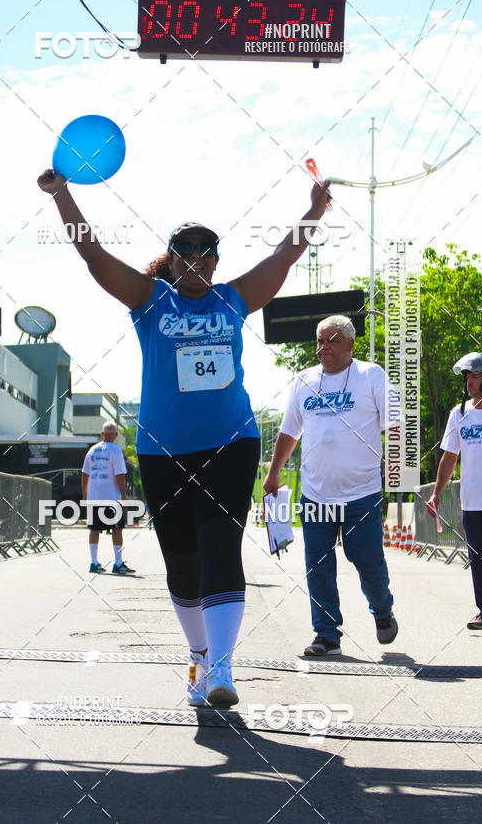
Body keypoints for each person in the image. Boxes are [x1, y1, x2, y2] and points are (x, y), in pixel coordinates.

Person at [38, 167, 330, 708]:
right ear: (171, 259)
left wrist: (314, 211)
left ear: (217, 260)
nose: (196, 255)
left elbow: (283, 259)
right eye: (185, 247)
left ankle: (222, 667)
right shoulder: (151, 300)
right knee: (182, 563)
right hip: (162, 451)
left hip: (230, 443)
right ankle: (199, 656)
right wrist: (63, 195)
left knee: (221, 548)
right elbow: (95, 256)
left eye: (206, 248)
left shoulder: (233, 299)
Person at [264, 315, 399, 657]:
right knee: (318, 564)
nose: (324, 348)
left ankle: (382, 610)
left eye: (332, 341)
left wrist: (395, 470)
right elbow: (289, 431)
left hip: (362, 491)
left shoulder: (372, 376)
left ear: (351, 344)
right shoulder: (305, 381)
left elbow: (396, 424)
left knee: (366, 560)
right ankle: (326, 634)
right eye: (320, 341)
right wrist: (273, 472)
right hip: (316, 492)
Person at [427, 352, 482, 631]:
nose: (469, 381)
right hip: (471, 500)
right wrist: (437, 493)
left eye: (475, 376)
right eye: (467, 376)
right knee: (477, 559)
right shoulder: (459, 413)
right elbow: (449, 457)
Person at [82, 421, 135, 575]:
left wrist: (85, 495)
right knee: (117, 528)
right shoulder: (116, 450)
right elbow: (119, 475)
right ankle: (118, 563)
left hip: (94, 496)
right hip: (111, 497)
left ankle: (94, 562)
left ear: (102, 434)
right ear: (116, 435)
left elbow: (85, 474)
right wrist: (123, 496)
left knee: (94, 529)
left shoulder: (91, 451)